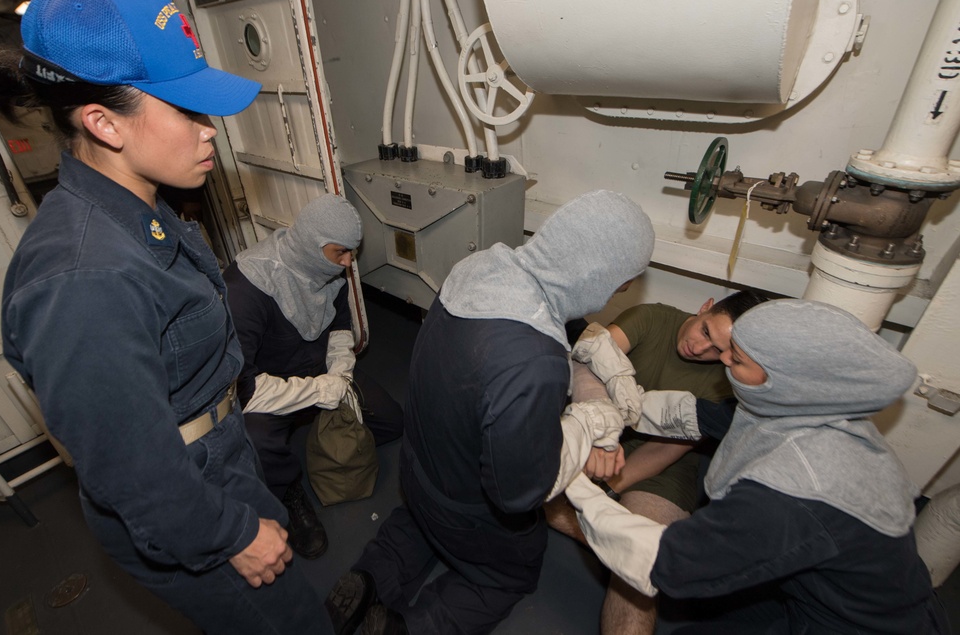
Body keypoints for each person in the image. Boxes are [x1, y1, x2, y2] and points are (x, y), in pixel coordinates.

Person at [0, 0, 332, 632]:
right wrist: (232, 533)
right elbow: (130, 466)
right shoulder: (83, 277)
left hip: (219, 455)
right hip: (185, 495)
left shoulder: (141, 208)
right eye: (185, 110)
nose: (210, 131)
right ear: (101, 122)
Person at [324, 189, 656, 635]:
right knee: (509, 574)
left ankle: (368, 579)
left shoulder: (480, 267)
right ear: (599, 277)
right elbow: (519, 492)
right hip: (466, 507)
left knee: (419, 524)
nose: (620, 291)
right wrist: (589, 420)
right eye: (622, 282)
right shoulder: (535, 361)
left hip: (419, 469)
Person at [564, 299, 949, 634]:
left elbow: (664, 562)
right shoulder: (803, 410)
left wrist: (568, 481)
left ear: (782, 379)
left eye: (738, 358)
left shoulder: (795, 488)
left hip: (855, 624)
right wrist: (614, 402)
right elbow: (687, 415)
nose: (725, 360)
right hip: (805, 593)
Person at [548, 290, 768, 634]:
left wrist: (606, 487)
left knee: (636, 579)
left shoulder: (729, 379)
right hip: (597, 439)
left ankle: (632, 549)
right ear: (705, 306)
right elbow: (586, 364)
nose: (701, 348)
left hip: (663, 467)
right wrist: (598, 428)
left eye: (721, 352)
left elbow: (668, 449)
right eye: (706, 332)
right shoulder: (653, 317)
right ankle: (622, 543)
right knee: (516, 484)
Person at [223, 193, 403, 559]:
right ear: (312, 245)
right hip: (268, 387)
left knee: (392, 422)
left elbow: (338, 329)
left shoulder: (327, 269)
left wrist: (339, 373)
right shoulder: (245, 289)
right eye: (341, 252)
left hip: (318, 370)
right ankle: (289, 493)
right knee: (257, 443)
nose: (349, 262)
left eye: (352, 251)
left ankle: (320, 436)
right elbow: (245, 390)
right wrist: (320, 391)